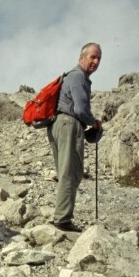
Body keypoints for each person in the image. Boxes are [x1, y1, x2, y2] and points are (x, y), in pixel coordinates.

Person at [47, 43, 103, 232]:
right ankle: (62, 219)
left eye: (98, 58)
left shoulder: (72, 76)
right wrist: (93, 122)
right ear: (82, 58)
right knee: (71, 172)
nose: (96, 62)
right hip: (69, 124)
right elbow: (80, 109)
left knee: (66, 170)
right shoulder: (78, 76)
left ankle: (61, 216)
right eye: (92, 57)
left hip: (58, 124)